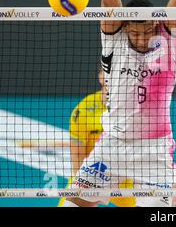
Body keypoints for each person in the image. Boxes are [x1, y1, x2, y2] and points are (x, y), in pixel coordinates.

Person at [62, 0, 176, 207]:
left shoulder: (168, 40)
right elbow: (109, 1)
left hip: (154, 150)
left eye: (147, 29)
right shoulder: (114, 37)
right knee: (74, 203)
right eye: (135, 29)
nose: (142, 35)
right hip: (112, 145)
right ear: (125, 26)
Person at [57, 66, 135, 207]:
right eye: (108, 73)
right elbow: (77, 155)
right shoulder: (83, 110)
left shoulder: (133, 108)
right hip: (91, 172)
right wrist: (88, 190)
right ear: (100, 77)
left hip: (124, 178)